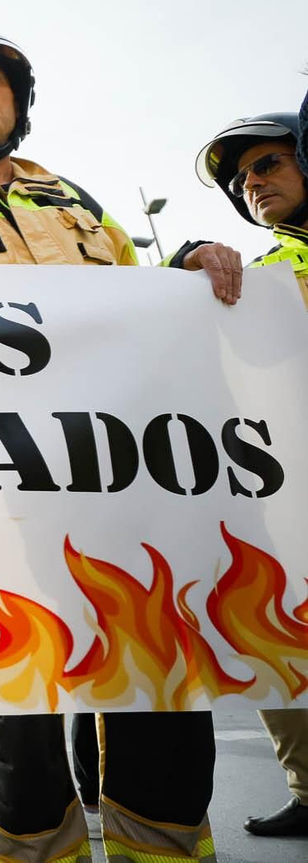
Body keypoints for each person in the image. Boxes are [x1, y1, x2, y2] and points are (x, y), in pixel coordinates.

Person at [0, 25, 236, 863]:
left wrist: (190, 265)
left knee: (160, 711)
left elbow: (146, 313)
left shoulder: (82, 205)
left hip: (126, 492)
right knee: (18, 729)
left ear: (20, 103)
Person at [183, 109, 308, 839]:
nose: (252, 182)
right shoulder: (252, 279)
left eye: (268, 163)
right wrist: (183, 268)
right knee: (279, 644)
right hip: (283, 500)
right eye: (241, 177)